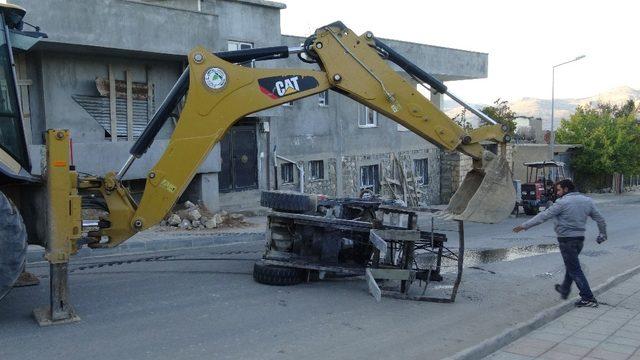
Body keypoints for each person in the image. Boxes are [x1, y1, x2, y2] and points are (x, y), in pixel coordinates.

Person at [513, 179, 607, 307]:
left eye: (559, 190)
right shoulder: (587, 201)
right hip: (579, 239)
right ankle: (564, 288)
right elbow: (600, 219)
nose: (557, 193)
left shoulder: (562, 203)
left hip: (567, 240)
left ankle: (588, 297)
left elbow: (543, 216)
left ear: (566, 189)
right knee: (572, 265)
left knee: (574, 269)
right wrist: (602, 234)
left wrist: (524, 226)